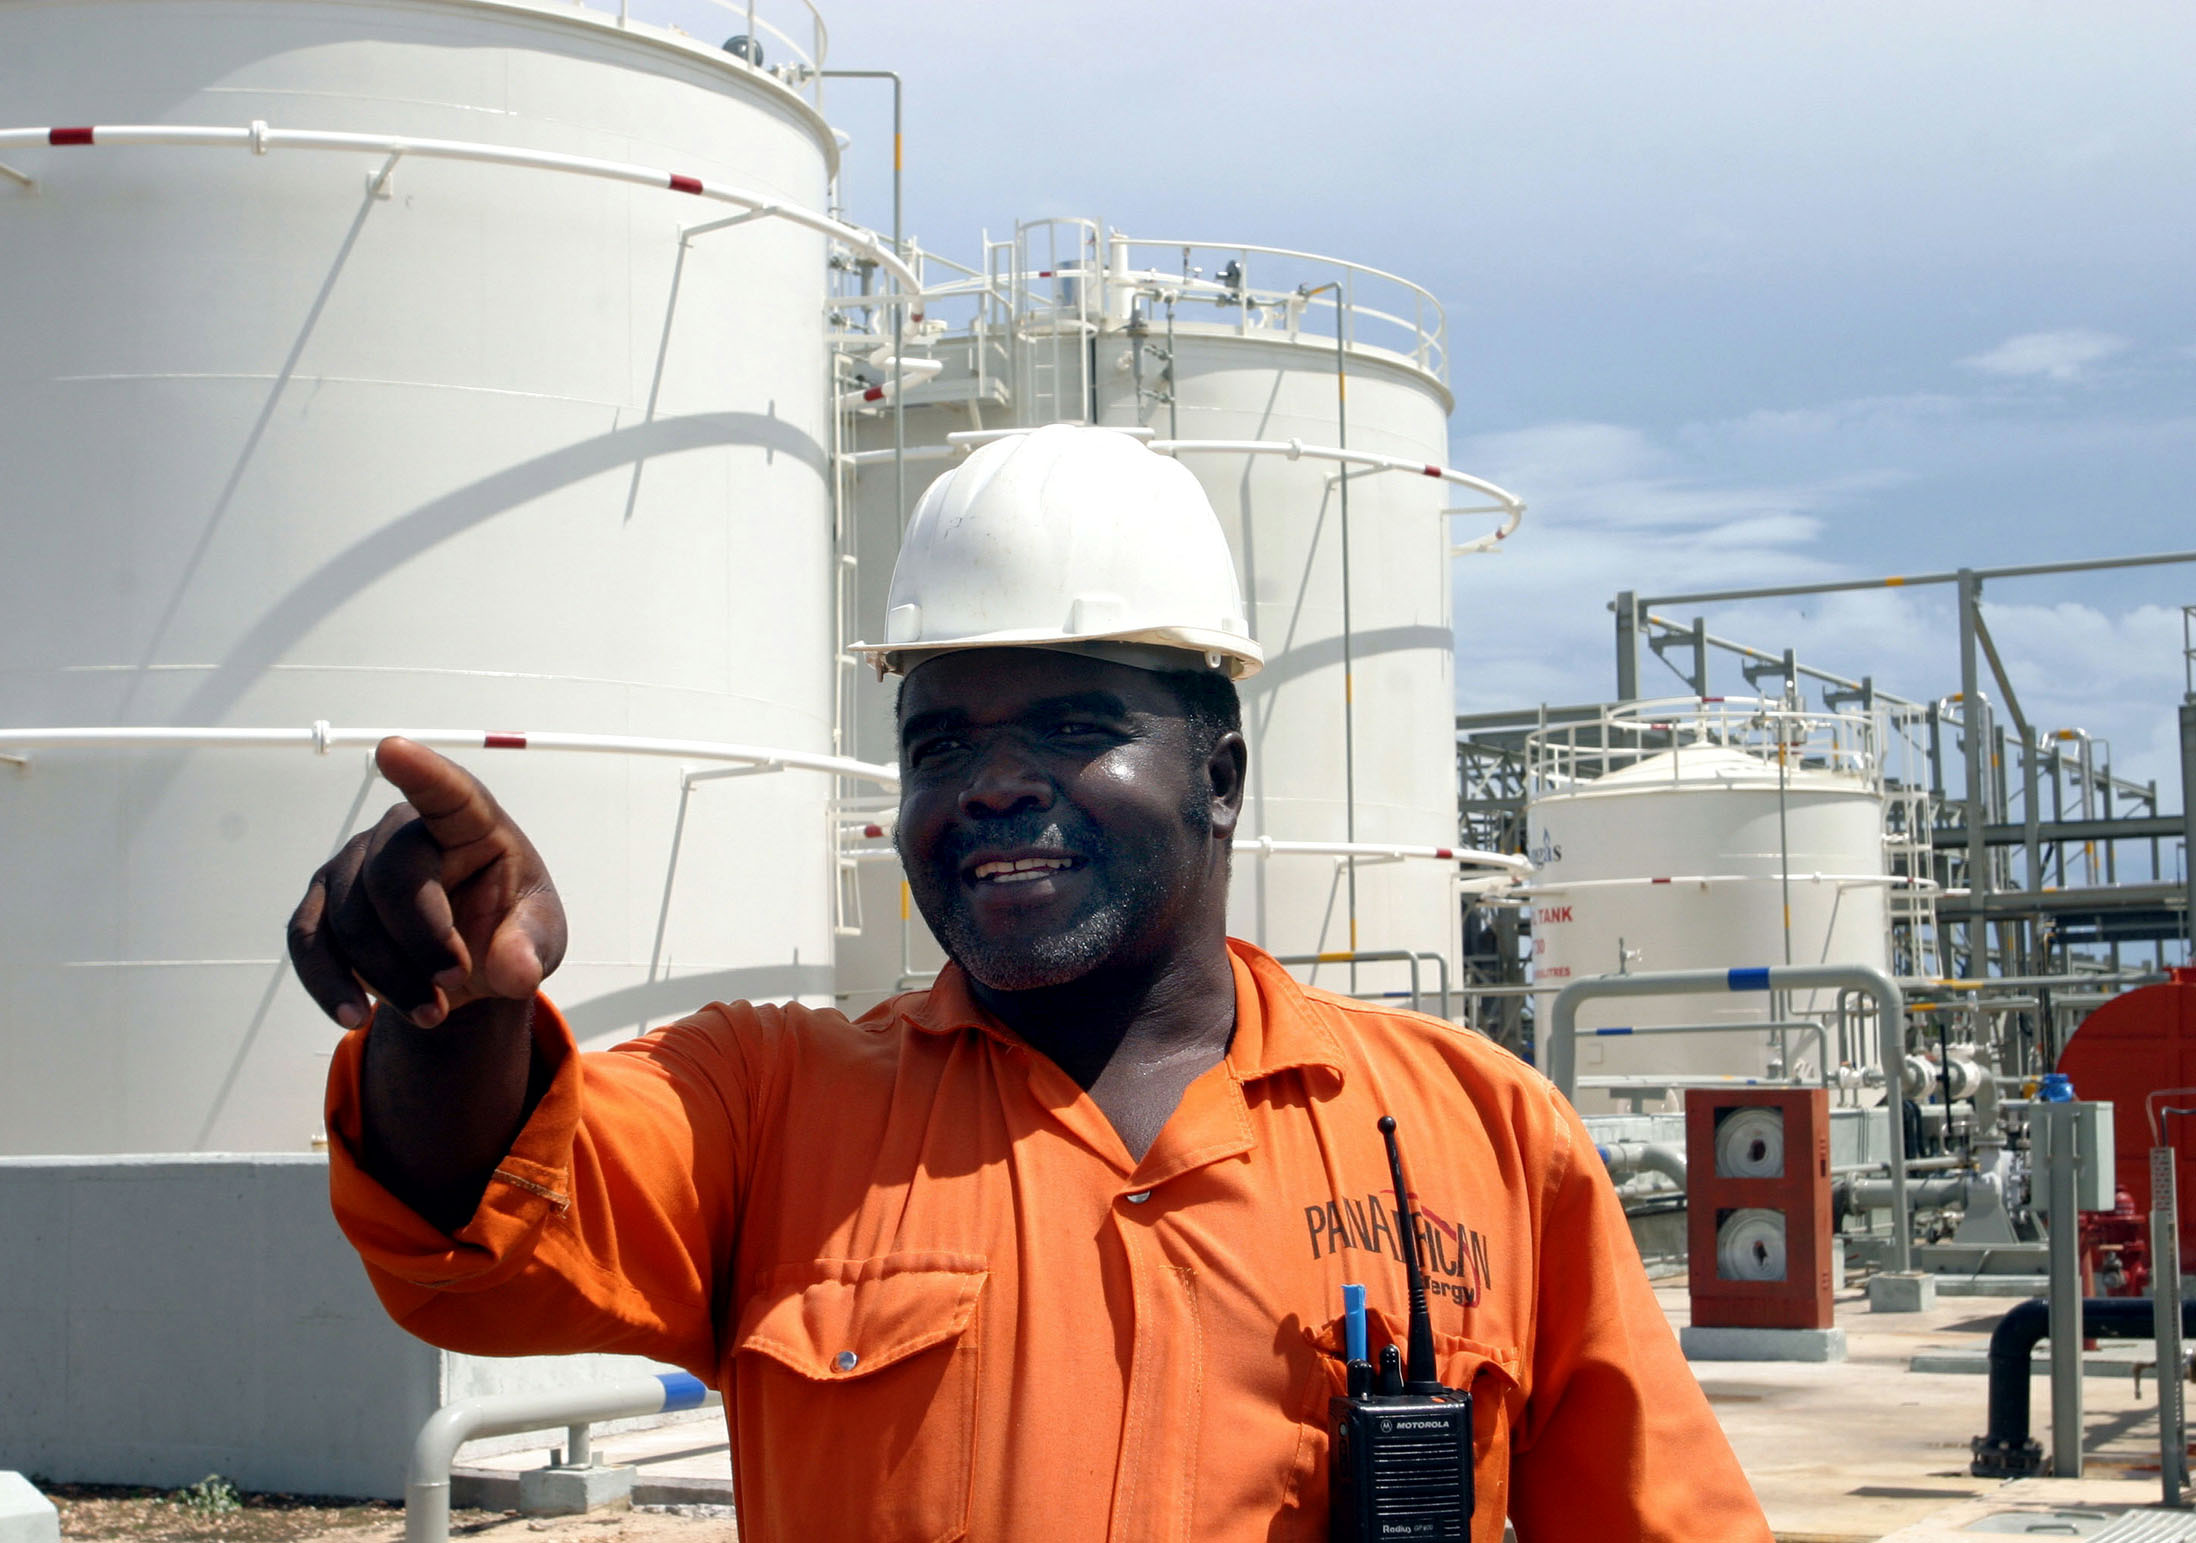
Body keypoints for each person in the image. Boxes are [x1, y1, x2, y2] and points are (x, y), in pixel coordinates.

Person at [290, 426, 1770, 1542]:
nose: (992, 786)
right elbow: (478, 1225)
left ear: (1221, 775)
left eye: (1071, 728)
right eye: (940, 744)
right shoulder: (769, 1101)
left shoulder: (1479, 1132)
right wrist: (455, 1010)